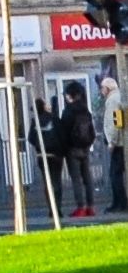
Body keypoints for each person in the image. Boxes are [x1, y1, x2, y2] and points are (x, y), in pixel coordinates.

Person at [58, 87, 98, 220]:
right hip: (85, 148)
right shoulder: (85, 110)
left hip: (72, 149)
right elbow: (91, 130)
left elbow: (63, 132)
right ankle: (91, 206)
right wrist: (88, 144)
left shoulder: (68, 111)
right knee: (88, 178)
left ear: (70, 96)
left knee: (76, 179)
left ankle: (80, 207)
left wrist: (65, 149)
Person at [103, 74, 126, 214]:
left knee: (114, 175)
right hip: (122, 141)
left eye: (102, 87)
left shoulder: (112, 100)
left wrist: (112, 140)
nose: (101, 90)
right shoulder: (120, 97)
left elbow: (115, 121)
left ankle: (119, 203)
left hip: (118, 143)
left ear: (107, 88)